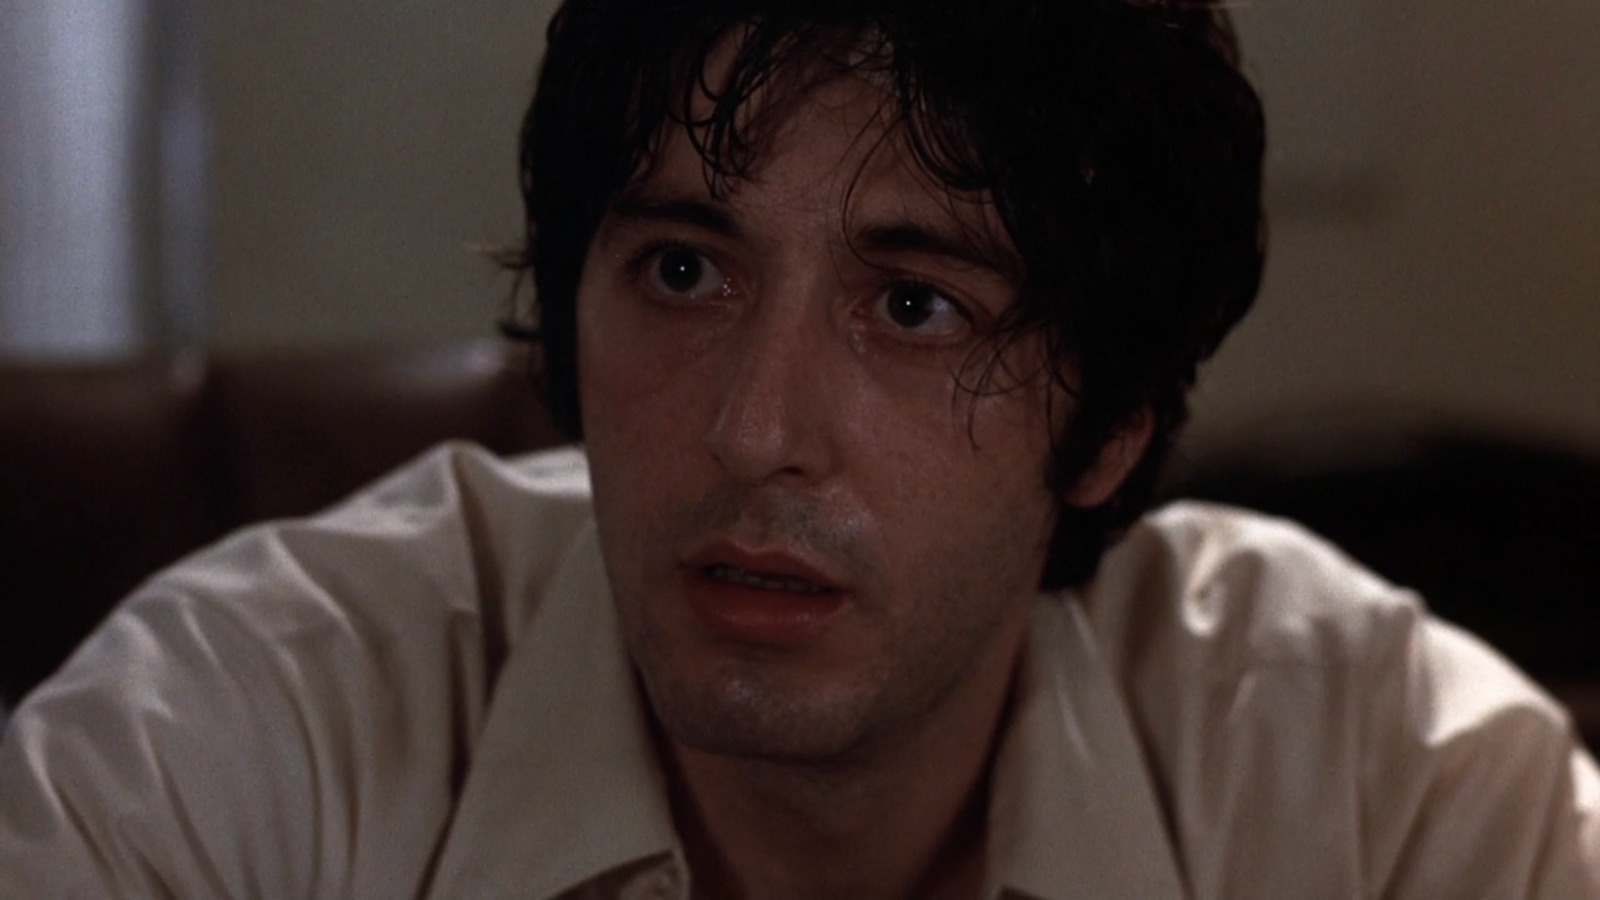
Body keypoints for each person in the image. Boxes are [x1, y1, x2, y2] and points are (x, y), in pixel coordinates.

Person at [2, 0, 1596, 897]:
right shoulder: (223, 747)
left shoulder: (1386, 787)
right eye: (682, 272)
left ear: (1108, 426)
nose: (752, 431)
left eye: (913, 306)